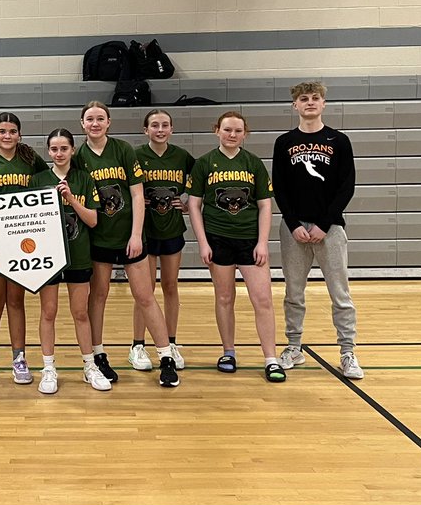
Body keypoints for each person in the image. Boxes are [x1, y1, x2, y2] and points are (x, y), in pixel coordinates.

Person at [77, 101, 179, 388]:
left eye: (100, 119)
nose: (95, 123)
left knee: (145, 296)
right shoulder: (78, 156)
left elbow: (136, 195)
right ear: (82, 123)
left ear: (108, 122)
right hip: (97, 239)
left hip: (130, 237)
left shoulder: (122, 150)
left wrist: (136, 235)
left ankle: (165, 357)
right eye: (90, 119)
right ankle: (98, 356)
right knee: (98, 297)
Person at [272, 81, 364, 379]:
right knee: (293, 293)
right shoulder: (284, 142)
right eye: (303, 98)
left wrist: (325, 223)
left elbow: (346, 186)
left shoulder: (339, 141)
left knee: (340, 293)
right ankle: (294, 347)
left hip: (331, 228)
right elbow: (280, 187)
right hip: (293, 230)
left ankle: (348, 351)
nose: (309, 102)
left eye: (315, 98)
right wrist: (293, 222)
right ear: (295, 105)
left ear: (323, 104)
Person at [188, 111, 284, 383]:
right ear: (216, 130)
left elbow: (266, 205)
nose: (232, 135)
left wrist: (263, 242)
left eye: (238, 131)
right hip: (218, 239)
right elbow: (194, 205)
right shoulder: (205, 163)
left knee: (262, 299)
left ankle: (271, 358)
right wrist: (203, 242)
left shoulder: (253, 163)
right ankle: (228, 351)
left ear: (245, 133)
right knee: (224, 298)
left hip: (250, 240)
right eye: (227, 130)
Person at [29, 128, 113, 393]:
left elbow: (92, 219)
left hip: (78, 255)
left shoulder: (84, 179)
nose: (59, 153)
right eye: (54, 149)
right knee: (49, 311)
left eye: (64, 148)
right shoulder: (38, 179)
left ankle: (89, 366)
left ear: (72, 150)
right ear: (48, 151)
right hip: (48, 257)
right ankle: (48, 368)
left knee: (80, 312)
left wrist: (70, 198)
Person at [0, 112, 47, 386]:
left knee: (16, 300)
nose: (7, 135)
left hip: (22, 243)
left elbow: (45, 192)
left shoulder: (31, 161)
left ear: (19, 135)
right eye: (2, 131)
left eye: (12, 131)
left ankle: (19, 357)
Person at [130, 110, 193, 374]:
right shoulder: (135, 155)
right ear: (146, 130)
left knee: (170, 286)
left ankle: (171, 341)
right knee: (145, 290)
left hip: (171, 230)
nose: (160, 129)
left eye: (165, 125)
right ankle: (138, 345)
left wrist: (189, 197)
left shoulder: (181, 156)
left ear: (171, 129)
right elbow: (125, 186)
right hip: (145, 231)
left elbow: (200, 179)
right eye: (154, 125)